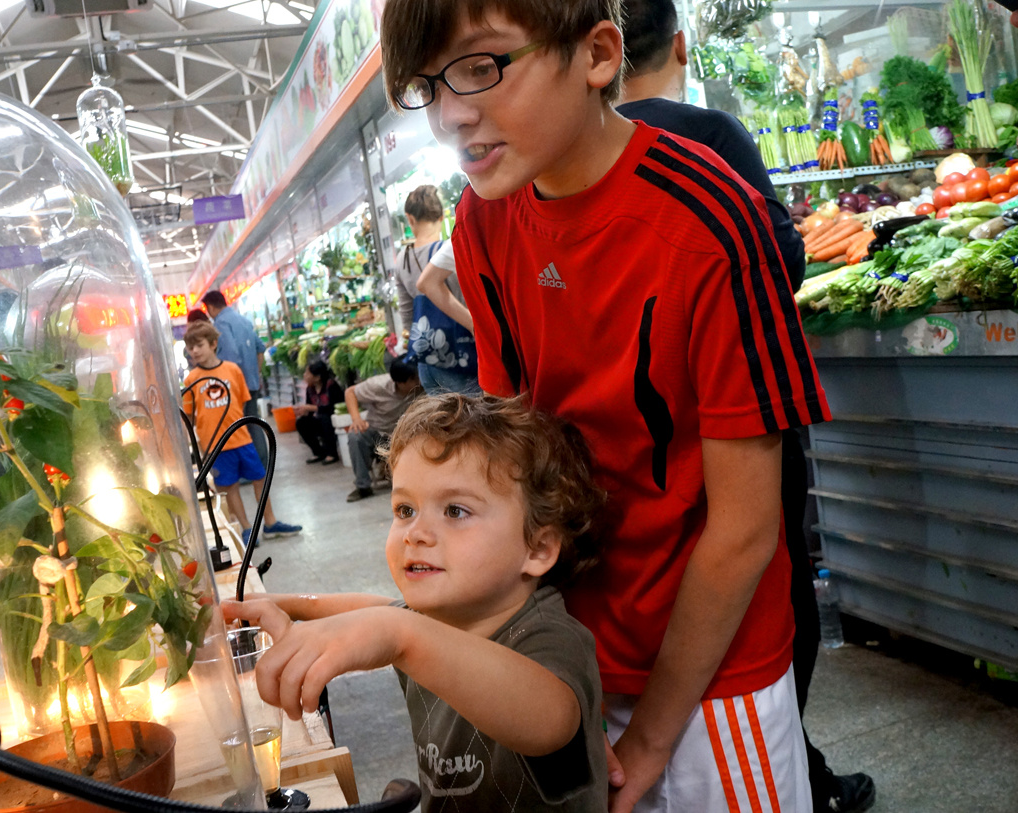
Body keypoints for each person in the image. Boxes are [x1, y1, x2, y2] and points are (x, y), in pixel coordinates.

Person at [379, 3, 830, 813]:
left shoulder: (709, 218)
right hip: (568, 649)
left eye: (482, 67)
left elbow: (746, 528)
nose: (451, 113)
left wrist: (654, 732)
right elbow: (514, 454)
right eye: (426, 85)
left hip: (711, 677)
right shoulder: (483, 219)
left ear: (597, 53)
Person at [617, 2, 875, 810]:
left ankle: (808, 770)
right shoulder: (709, 137)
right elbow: (778, 257)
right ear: (681, 44)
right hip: (733, 426)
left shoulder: (562, 167)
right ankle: (806, 771)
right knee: (772, 591)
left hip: (646, 476)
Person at [224, 393, 609, 812]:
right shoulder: (441, 620)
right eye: (405, 508)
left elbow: (549, 721)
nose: (415, 533)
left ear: (537, 549)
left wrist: (401, 634)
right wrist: (283, 604)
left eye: (456, 511)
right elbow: (373, 611)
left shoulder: (548, 638)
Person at [181, 322, 301, 544]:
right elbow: (188, 415)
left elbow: (243, 404)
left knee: (260, 478)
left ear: (214, 344)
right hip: (215, 446)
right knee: (229, 487)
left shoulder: (232, 370)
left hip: (242, 439)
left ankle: (271, 522)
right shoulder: (191, 380)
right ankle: (245, 528)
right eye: (190, 347)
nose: (194, 351)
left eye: (199, 345)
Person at [394, 185, 479, 395]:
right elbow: (468, 296)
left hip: (427, 360)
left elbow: (406, 316)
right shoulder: (448, 251)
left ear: (410, 218)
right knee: (473, 421)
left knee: (443, 424)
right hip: (459, 352)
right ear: (442, 217)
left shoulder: (402, 260)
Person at [202, 290, 269, 467]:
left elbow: (231, 356)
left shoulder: (221, 323)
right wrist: (256, 373)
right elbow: (260, 349)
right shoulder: (243, 320)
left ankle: (252, 469)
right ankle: (263, 465)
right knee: (254, 424)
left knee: (241, 429)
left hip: (236, 386)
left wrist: (232, 383)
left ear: (210, 307)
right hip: (252, 382)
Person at [344, 359, 422, 502]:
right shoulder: (378, 385)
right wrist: (356, 419)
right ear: (400, 382)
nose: (419, 380)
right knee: (356, 436)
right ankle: (363, 487)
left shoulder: (424, 385)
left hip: (406, 434)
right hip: (378, 430)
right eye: (414, 379)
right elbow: (350, 392)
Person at [294, 359, 344, 465]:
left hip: (332, 421)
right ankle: (318, 452)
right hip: (319, 420)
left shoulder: (331, 386)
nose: (304, 375)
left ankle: (332, 453)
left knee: (326, 418)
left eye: (307, 373)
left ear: (317, 377)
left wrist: (312, 408)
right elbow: (310, 409)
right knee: (301, 422)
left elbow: (334, 408)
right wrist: (304, 411)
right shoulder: (310, 389)